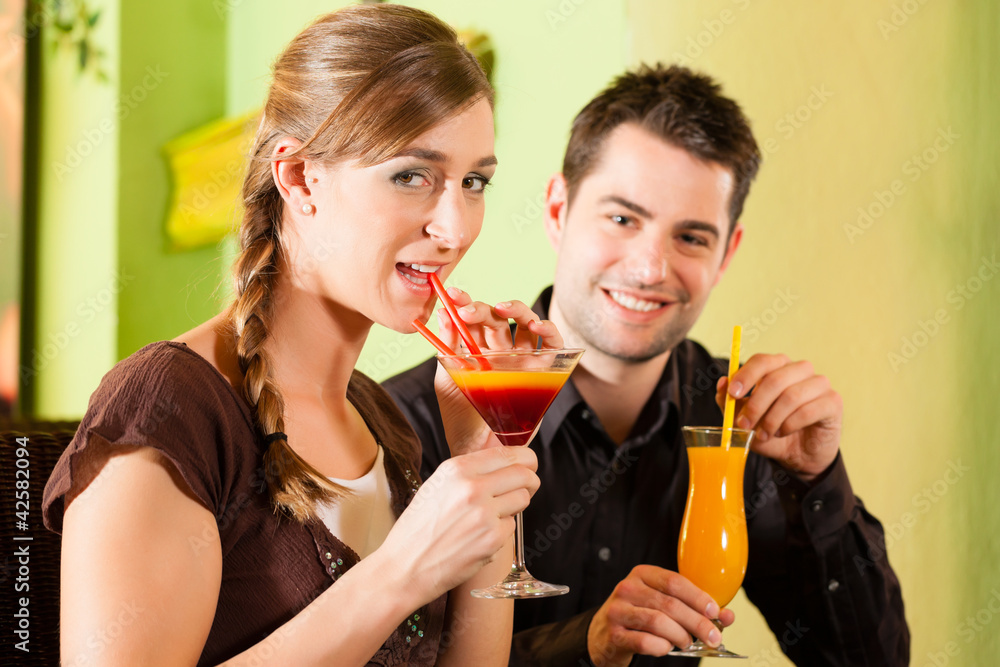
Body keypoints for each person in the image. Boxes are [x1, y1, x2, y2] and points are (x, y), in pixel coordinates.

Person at [42, 5, 559, 666]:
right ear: (298, 176)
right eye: (411, 175)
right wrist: (400, 571)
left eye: (474, 182)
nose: (455, 229)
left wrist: (480, 455)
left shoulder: (383, 422)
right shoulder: (168, 407)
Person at [384, 64, 909, 666]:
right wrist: (584, 645)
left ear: (727, 253)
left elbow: (870, 661)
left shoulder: (741, 422)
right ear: (557, 210)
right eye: (622, 219)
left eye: (691, 238)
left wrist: (818, 484)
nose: (650, 267)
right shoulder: (405, 424)